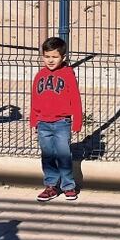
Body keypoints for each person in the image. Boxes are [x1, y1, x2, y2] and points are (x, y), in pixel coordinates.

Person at [31, 37, 84, 202]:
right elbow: (34, 98)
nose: (50, 60)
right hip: (43, 123)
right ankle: (50, 186)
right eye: (47, 57)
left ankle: (68, 186)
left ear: (63, 57)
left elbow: (75, 98)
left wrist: (77, 120)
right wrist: (34, 119)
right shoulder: (40, 75)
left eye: (54, 57)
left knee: (63, 154)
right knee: (47, 155)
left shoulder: (68, 74)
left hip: (62, 122)